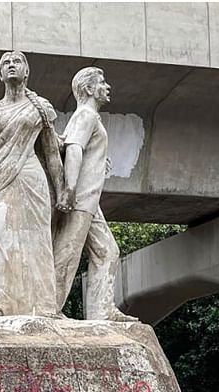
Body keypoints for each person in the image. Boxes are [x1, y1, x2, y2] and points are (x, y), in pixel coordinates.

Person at [0, 51, 68, 317]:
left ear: (26, 71)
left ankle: (45, 306)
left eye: (16, 62)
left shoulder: (40, 107)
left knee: (37, 241)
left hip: (31, 178)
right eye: (5, 63)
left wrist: (63, 191)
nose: (11, 65)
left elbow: (52, 154)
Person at [52, 66, 137, 322]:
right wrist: (69, 189)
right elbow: (74, 149)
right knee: (67, 252)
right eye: (102, 82)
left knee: (107, 251)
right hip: (80, 197)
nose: (107, 87)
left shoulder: (90, 118)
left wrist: (100, 161)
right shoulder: (85, 115)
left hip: (90, 199)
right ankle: (49, 308)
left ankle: (102, 311)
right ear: (89, 88)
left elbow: (76, 148)